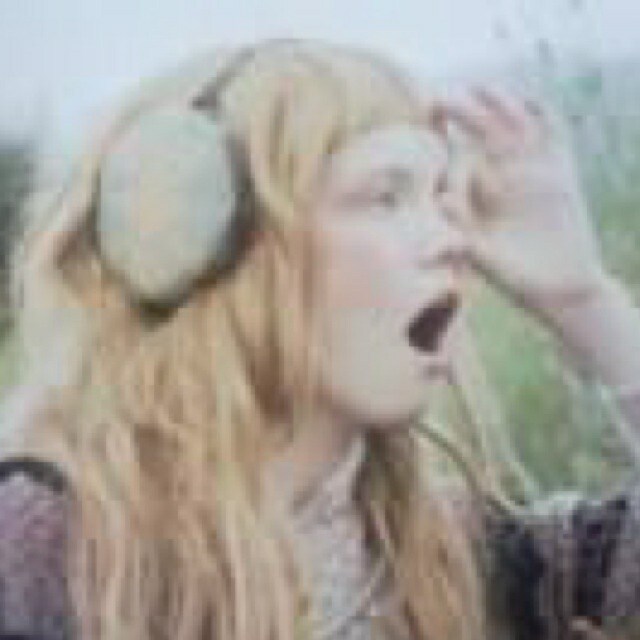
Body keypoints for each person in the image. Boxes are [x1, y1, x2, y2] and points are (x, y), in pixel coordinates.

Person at [1, 38, 640, 640]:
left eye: (442, 196)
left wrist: (584, 299)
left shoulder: (452, 553)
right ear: (222, 251)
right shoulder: (49, 550)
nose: (452, 240)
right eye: (387, 196)